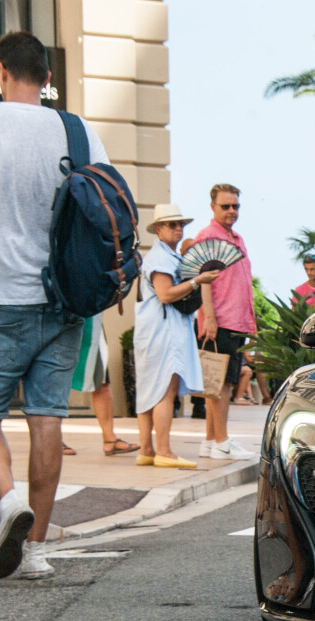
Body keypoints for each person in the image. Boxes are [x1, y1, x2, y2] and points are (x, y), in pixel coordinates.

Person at [0, 31, 108, 579]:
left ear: (0, 70)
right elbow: (105, 205)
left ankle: (8, 501)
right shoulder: (75, 130)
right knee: (47, 418)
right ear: (49, 79)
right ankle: (36, 552)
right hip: (63, 301)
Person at [135, 204, 220, 468]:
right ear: (158, 229)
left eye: (180, 224)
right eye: (172, 225)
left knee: (150, 391)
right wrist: (197, 281)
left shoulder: (165, 256)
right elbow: (166, 294)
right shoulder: (160, 258)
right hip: (163, 332)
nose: (178, 229)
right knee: (164, 389)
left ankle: (147, 450)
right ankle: (164, 451)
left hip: (156, 330)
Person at [192, 183, 256, 460]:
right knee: (219, 385)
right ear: (213, 207)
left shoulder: (238, 239)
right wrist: (209, 318)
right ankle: (222, 441)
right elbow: (204, 281)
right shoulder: (207, 236)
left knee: (219, 384)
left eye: (235, 206)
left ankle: (210, 441)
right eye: (225, 206)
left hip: (237, 322)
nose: (231, 211)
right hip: (219, 322)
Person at [70, 314, 141, 456]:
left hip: (89, 319)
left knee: (101, 379)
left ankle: (110, 440)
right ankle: (52, 439)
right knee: (52, 379)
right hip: (57, 315)